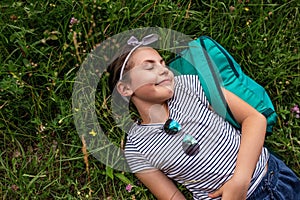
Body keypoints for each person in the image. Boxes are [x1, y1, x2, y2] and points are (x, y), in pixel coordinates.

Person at [106, 34, 300, 200]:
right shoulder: (136, 148)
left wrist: (240, 181)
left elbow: (255, 119)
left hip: (272, 178)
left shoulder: (189, 85)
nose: (163, 69)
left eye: (162, 63)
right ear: (125, 88)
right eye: (149, 67)